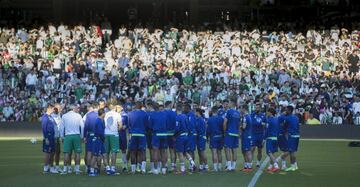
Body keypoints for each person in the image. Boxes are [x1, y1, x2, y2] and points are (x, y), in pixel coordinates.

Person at [59, 105, 84, 174]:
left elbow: (61, 127)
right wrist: (82, 136)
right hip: (76, 135)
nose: (77, 109)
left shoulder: (64, 116)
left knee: (66, 153)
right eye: (76, 108)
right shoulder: (78, 115)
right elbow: (82, 127)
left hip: (68, 136)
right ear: (73, 108)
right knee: (77, 153)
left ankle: (65, 169)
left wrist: (61, 136)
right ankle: (77, 169)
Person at [174, 104, 196, 174]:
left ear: (177, 110)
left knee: (180, 153)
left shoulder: (177, 117)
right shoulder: (185, 116)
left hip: (180, 136)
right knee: (185, 152)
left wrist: (174, 135)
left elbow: (177, 128)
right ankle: (192, 163)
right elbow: (189, 126)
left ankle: (182, 169)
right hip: (186, 136)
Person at [128, 101, 149, 174]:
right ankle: (143, 169)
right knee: (142, 152)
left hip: (134, 134)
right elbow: (147, 125)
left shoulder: (130, 114)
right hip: (142, 134)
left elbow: (129, 125)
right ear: (141, 106)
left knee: (133, 152)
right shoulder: (145, 114)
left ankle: (133, 170)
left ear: (135, 106)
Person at [148, 102, 168, 174]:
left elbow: (150, 126)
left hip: (156, 134)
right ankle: (163, 169)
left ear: (153, 107)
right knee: (163, 152)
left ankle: (156, 169)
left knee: (155, 152)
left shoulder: (152, 115)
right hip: (164, 134)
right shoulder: (164, 114)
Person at [104, 102, 122, 175]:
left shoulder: (106, 114)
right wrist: (117, 130)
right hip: (114, 134)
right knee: (114, 152)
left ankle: (107, 168)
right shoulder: (117, 114)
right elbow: (120, 125)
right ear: (114, 107)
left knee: (106, 152)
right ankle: (113, 168)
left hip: (106, 133)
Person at [223, 101, 241, 171]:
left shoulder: (229, 111)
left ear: (232, 104)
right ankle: (233, 166)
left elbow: (225, 122)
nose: (228, 104)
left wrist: (225, 131)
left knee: (228, 149)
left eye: (229, 103)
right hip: (235, 133)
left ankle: (229, 166)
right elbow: (239, 124)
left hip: (229, 132)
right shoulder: (238, 113)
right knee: (234, 150)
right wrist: (238, 132)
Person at [89, 108, 106, 177]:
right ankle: (91, 171)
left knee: (103, 154)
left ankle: (107, 168)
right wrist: (103, 138)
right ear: (103, 114)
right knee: (95, 156)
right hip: (98, 140)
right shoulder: (99, 121)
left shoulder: (99, 120)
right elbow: (100, 132)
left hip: (98, 139)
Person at [207, 107, 224, 172]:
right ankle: (219, 167)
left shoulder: (210, 119)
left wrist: (207, 137)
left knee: (214, 152)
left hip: (213, 137)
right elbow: (223, 127)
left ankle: (215, 168)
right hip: (220, 136)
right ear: (217, 111)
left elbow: (208, 130)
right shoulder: (221, 118)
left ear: (212, 111)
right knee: (219, 152)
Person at [283, 106, 300, 171]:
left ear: (290, 111)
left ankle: (292, 166)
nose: (285, 111)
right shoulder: (296, 117)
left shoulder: (287, 118)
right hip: (297, 136)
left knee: (291, 152)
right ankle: (295, 165)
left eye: (287, 110)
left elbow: (284, 126)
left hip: (292, 136)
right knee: (293, 151)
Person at [83, 103, 99, 173]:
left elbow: (85, 126)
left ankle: (88, 167)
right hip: (96, 135)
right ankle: (94, 167)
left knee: (89, 152)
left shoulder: (88, 115)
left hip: (89, 135)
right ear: (97, 107)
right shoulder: (98, 115)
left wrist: (84, 136)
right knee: (95, 152)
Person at [250, 103, 266, 167]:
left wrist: (263, 124)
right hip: (253, 134)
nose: (256, 109)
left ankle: (258, 162)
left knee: (260, 150)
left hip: (261, 134)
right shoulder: (252, 115)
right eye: (256, 107)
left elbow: (265, 125)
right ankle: (250, 162)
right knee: (252, 149)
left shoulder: (263, 116)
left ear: (260, 108)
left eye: (258, 108)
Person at [41, 104, 56, 174]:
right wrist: (46, 137)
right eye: (53, 108)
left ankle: (51, 167)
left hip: (52, 137)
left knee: (52, 152)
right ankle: (46, 168)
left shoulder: (51, 117)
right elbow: (44, 127)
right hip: (48, 136)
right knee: (47, 153)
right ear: (49, 109)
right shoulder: (45, 117)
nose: (54, 110)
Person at [265, 108, 280, 172]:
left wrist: (264, 138)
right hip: (276, 138)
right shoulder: (277, 119)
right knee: (272, 153)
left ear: (270, 113)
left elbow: (267, 130)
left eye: (267, 112)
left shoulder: (269, 120)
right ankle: (270, 166)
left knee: (269, 152)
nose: (267, 113)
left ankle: (276, 165)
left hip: (270, 138)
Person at [163, 101, 177, 172]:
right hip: (172, 134)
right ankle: (173, 165)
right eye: (171, 105)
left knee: (165, 151)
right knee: (172, 150)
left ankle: (165, 165)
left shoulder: (163, 113)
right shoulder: (174, 113)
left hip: (165, 134)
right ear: (169, 105)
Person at [183, 104, 197, 171]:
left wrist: (187, 131)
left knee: (190, 150)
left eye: (184, 107)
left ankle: (192, 165)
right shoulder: (187, 114)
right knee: (189, 150)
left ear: (187, 108)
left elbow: (191, 125)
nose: (183, 109)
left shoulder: (191, 115)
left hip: (190, 134)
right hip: (189, 135)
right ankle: (192, 164)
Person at [240, 106, 253, 172]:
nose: (240, 110)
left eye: (241, 108)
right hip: (247, 135)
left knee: (247, 151)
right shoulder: (249, 116)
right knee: (245, 151)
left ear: (244, 109)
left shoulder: (245, 117)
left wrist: (239, 126)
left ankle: (249, 167)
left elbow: (244, 127)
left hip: (246, 136)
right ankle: (246, 166)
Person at [51, 103, 62, 173]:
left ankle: (57, 167)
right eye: (58, 108)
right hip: (53, 136)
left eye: (60, 108)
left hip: (58, 137)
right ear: (55, 108)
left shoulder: (60, 115)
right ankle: (51, 167)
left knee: (58, 152)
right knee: (52, 153)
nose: (60, 109)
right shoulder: (51, 116)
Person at [119, 105, 129, 172]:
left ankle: (124, 165)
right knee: (113, 150)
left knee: (123, 150)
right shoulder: (114, 114)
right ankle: (111, 166)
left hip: (122, 134)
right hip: (115, 134)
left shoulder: (125, 115)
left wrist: (125, 126)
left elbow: (128, 124)